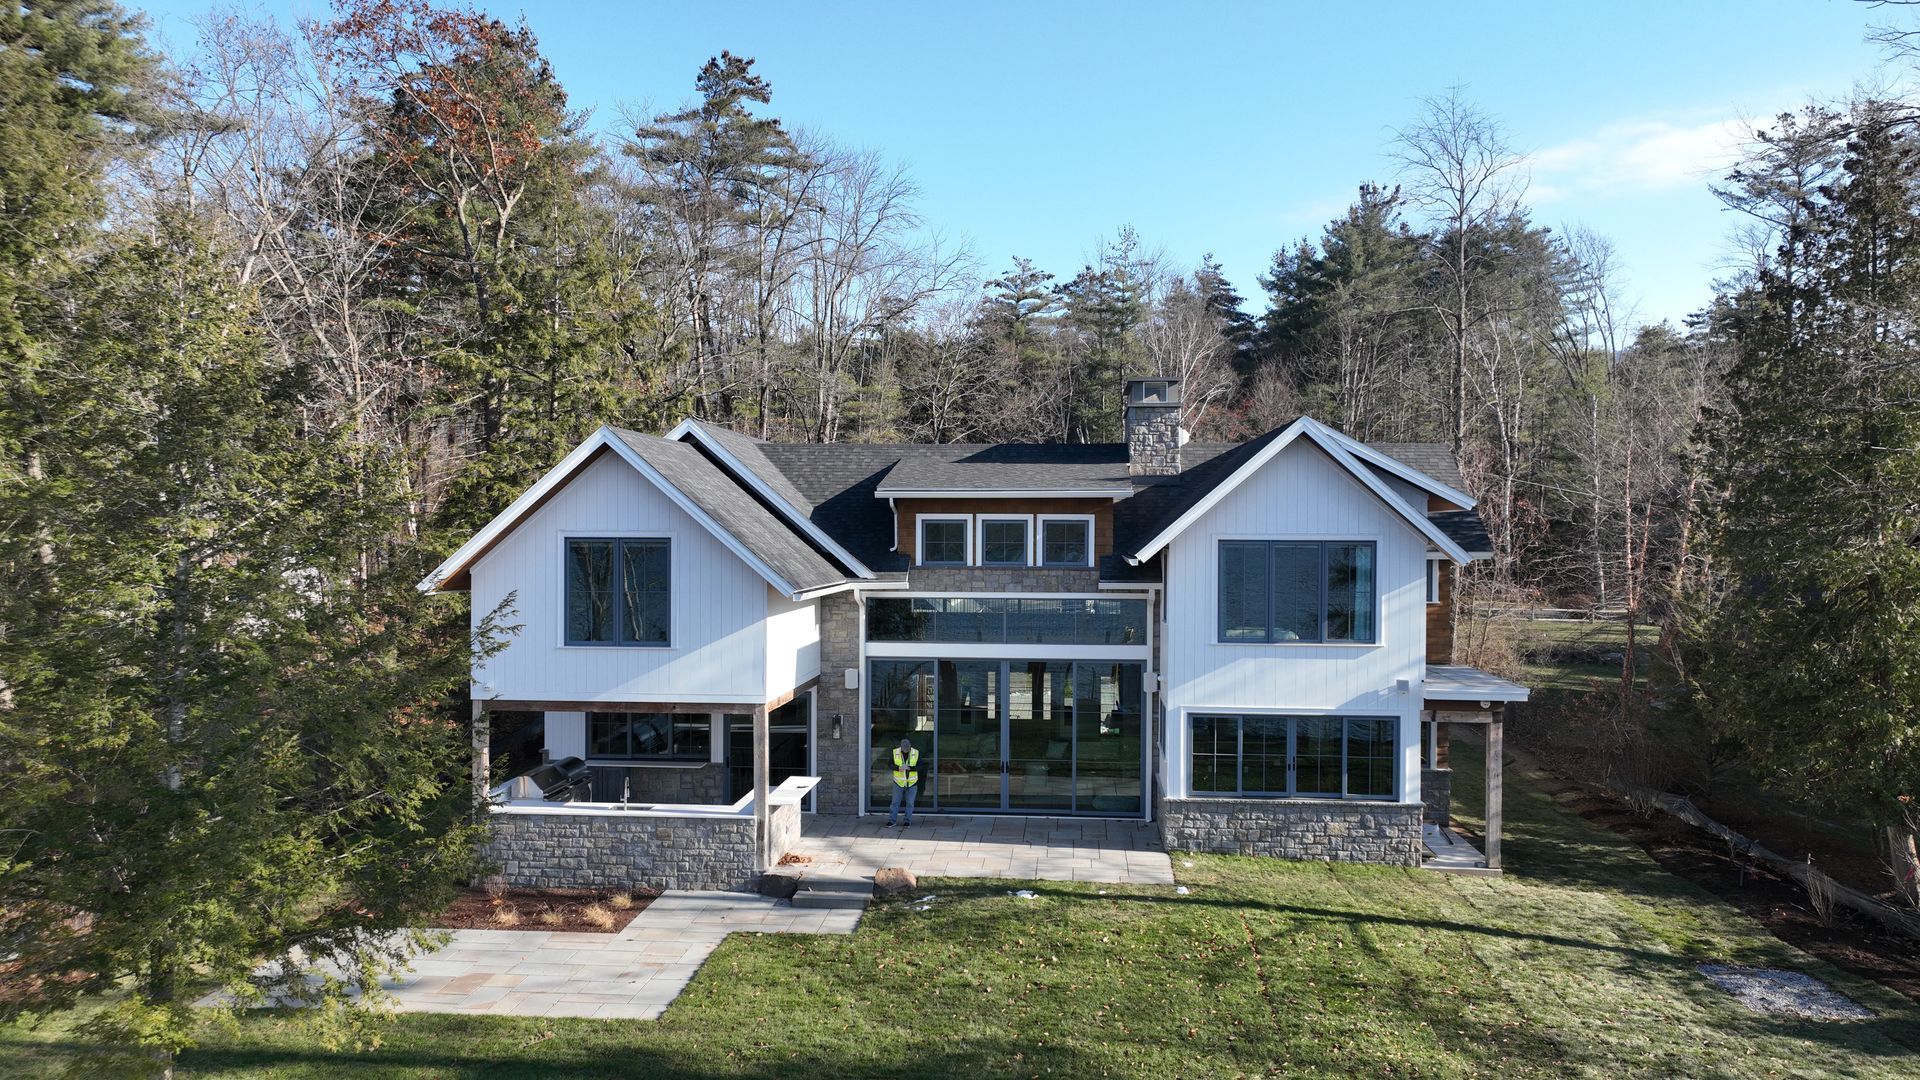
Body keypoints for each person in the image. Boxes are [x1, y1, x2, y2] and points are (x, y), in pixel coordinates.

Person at [887, 736, 920, 827]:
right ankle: (892, 821)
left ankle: (907, 821)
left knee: (910, 803)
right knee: (895, 803)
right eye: (903, 749)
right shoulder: (895, 752)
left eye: (907, 749)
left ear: (910, 746)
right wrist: (898, 768)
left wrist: (911, 768)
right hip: (898, 783)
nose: (905, 750)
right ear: (901, 747)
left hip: (912, 783)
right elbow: (890, 765)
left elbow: (921, 767)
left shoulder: (916, 752)